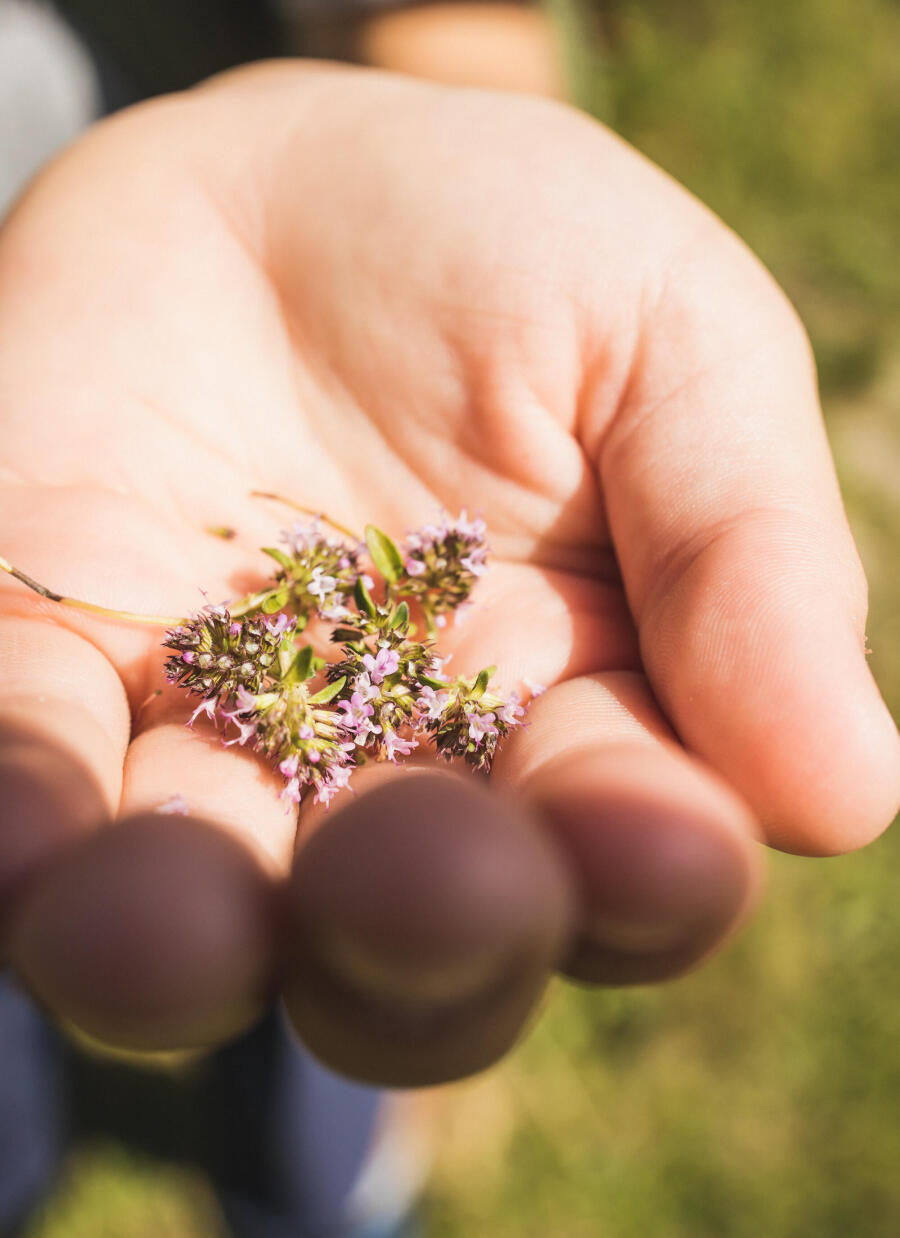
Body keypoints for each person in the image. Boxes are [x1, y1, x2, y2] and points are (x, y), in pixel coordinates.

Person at [0, 17, 898, 1238]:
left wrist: (457, 67)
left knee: (340, 923)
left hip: (175, 192)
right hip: (64, 405)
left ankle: (329, 1190)